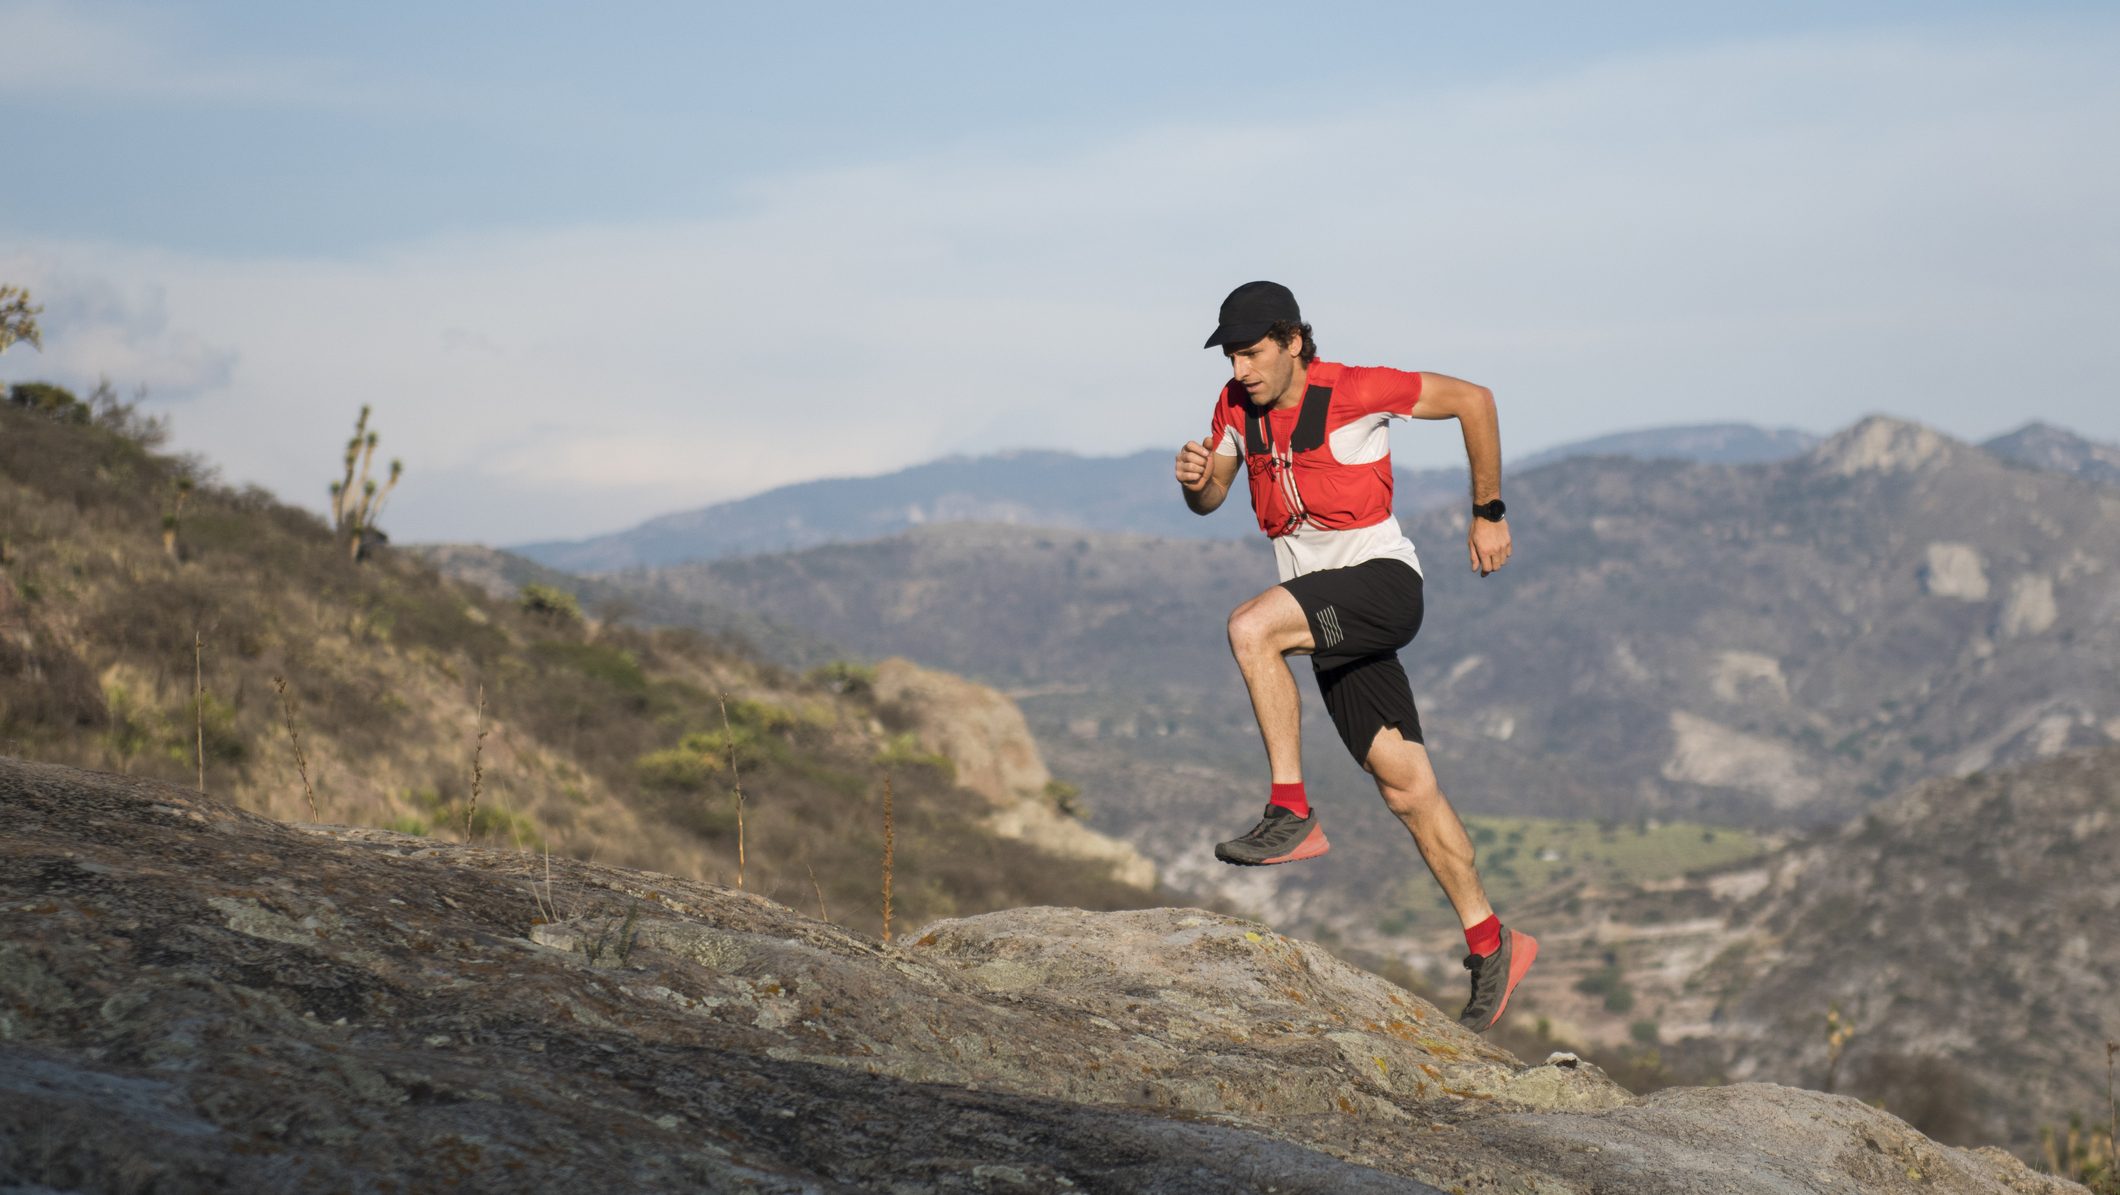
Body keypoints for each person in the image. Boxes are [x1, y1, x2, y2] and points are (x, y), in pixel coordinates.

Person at [1172, 280, 1535, 1033]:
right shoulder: (1235, 407)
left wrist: (1488, 511)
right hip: (1323, 610)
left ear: (1294, 341)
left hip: (1382, 586)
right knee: (1406, 786)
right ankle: (1493, 941)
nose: (1241, 369)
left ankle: (1290, 810)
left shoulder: (1357, 390)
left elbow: (1476, 399)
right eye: (1234, 355)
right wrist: (1196, 483)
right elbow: (1211, 500)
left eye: (1252, 352)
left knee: (1250, 627)